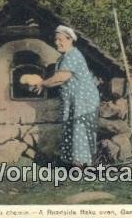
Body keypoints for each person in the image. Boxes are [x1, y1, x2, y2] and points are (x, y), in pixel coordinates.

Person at [33, 25, 100, 167]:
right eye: (55, 39)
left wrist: (42, 83)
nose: (56, 42)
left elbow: (61, 77)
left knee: (79, 130)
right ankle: (74, 163)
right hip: (74, 99)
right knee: (72, 129)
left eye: (60, 39)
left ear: (70, 39)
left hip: (83, 99)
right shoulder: (64, 57)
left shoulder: (73, 55)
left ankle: (82, 165)